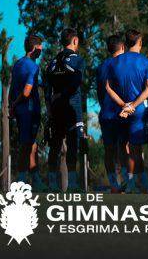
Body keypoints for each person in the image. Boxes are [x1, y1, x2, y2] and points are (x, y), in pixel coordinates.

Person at [105, 29, 148, 193]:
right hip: (138, 110)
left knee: (122, 146)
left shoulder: (114, 62)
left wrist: (123, 105)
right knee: (135, 148)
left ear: (125, 44)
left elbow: (108, 88)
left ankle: (132, 181)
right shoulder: (147, 62)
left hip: (120, 111)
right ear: (140, 43)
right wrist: (132, 106)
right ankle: (137, 182)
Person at [44, 28, 85, 192]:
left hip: (55, 108)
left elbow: (47, 89)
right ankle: (73, 184)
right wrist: (63, 95)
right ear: (74, 41)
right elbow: (76, 83)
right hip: (71, 108)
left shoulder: (52, 62)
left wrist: (49, 108)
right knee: (73, 144)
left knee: (55, 145)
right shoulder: (78, 60)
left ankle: (53, 184)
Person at [8, 34, 45, 189]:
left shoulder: (17, 64)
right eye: (40, 48)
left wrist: (12, 106)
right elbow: (26, 92)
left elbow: (12, 88)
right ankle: (21, 181)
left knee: (32, 145)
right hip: (29, 110)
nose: (41, 51)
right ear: (34, 48)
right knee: (26, 146)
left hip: (22, 111)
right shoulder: (33, 66)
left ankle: (35, 180)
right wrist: (14, 105)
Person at [96, 34, 125, 193]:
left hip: (106, 112)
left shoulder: (101, 66)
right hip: (122, 112)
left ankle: (114, 183)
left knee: (109, 149)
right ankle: (127, 180)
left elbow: (100, 92)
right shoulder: (124, 63)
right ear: (122, 47)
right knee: (124, 147)